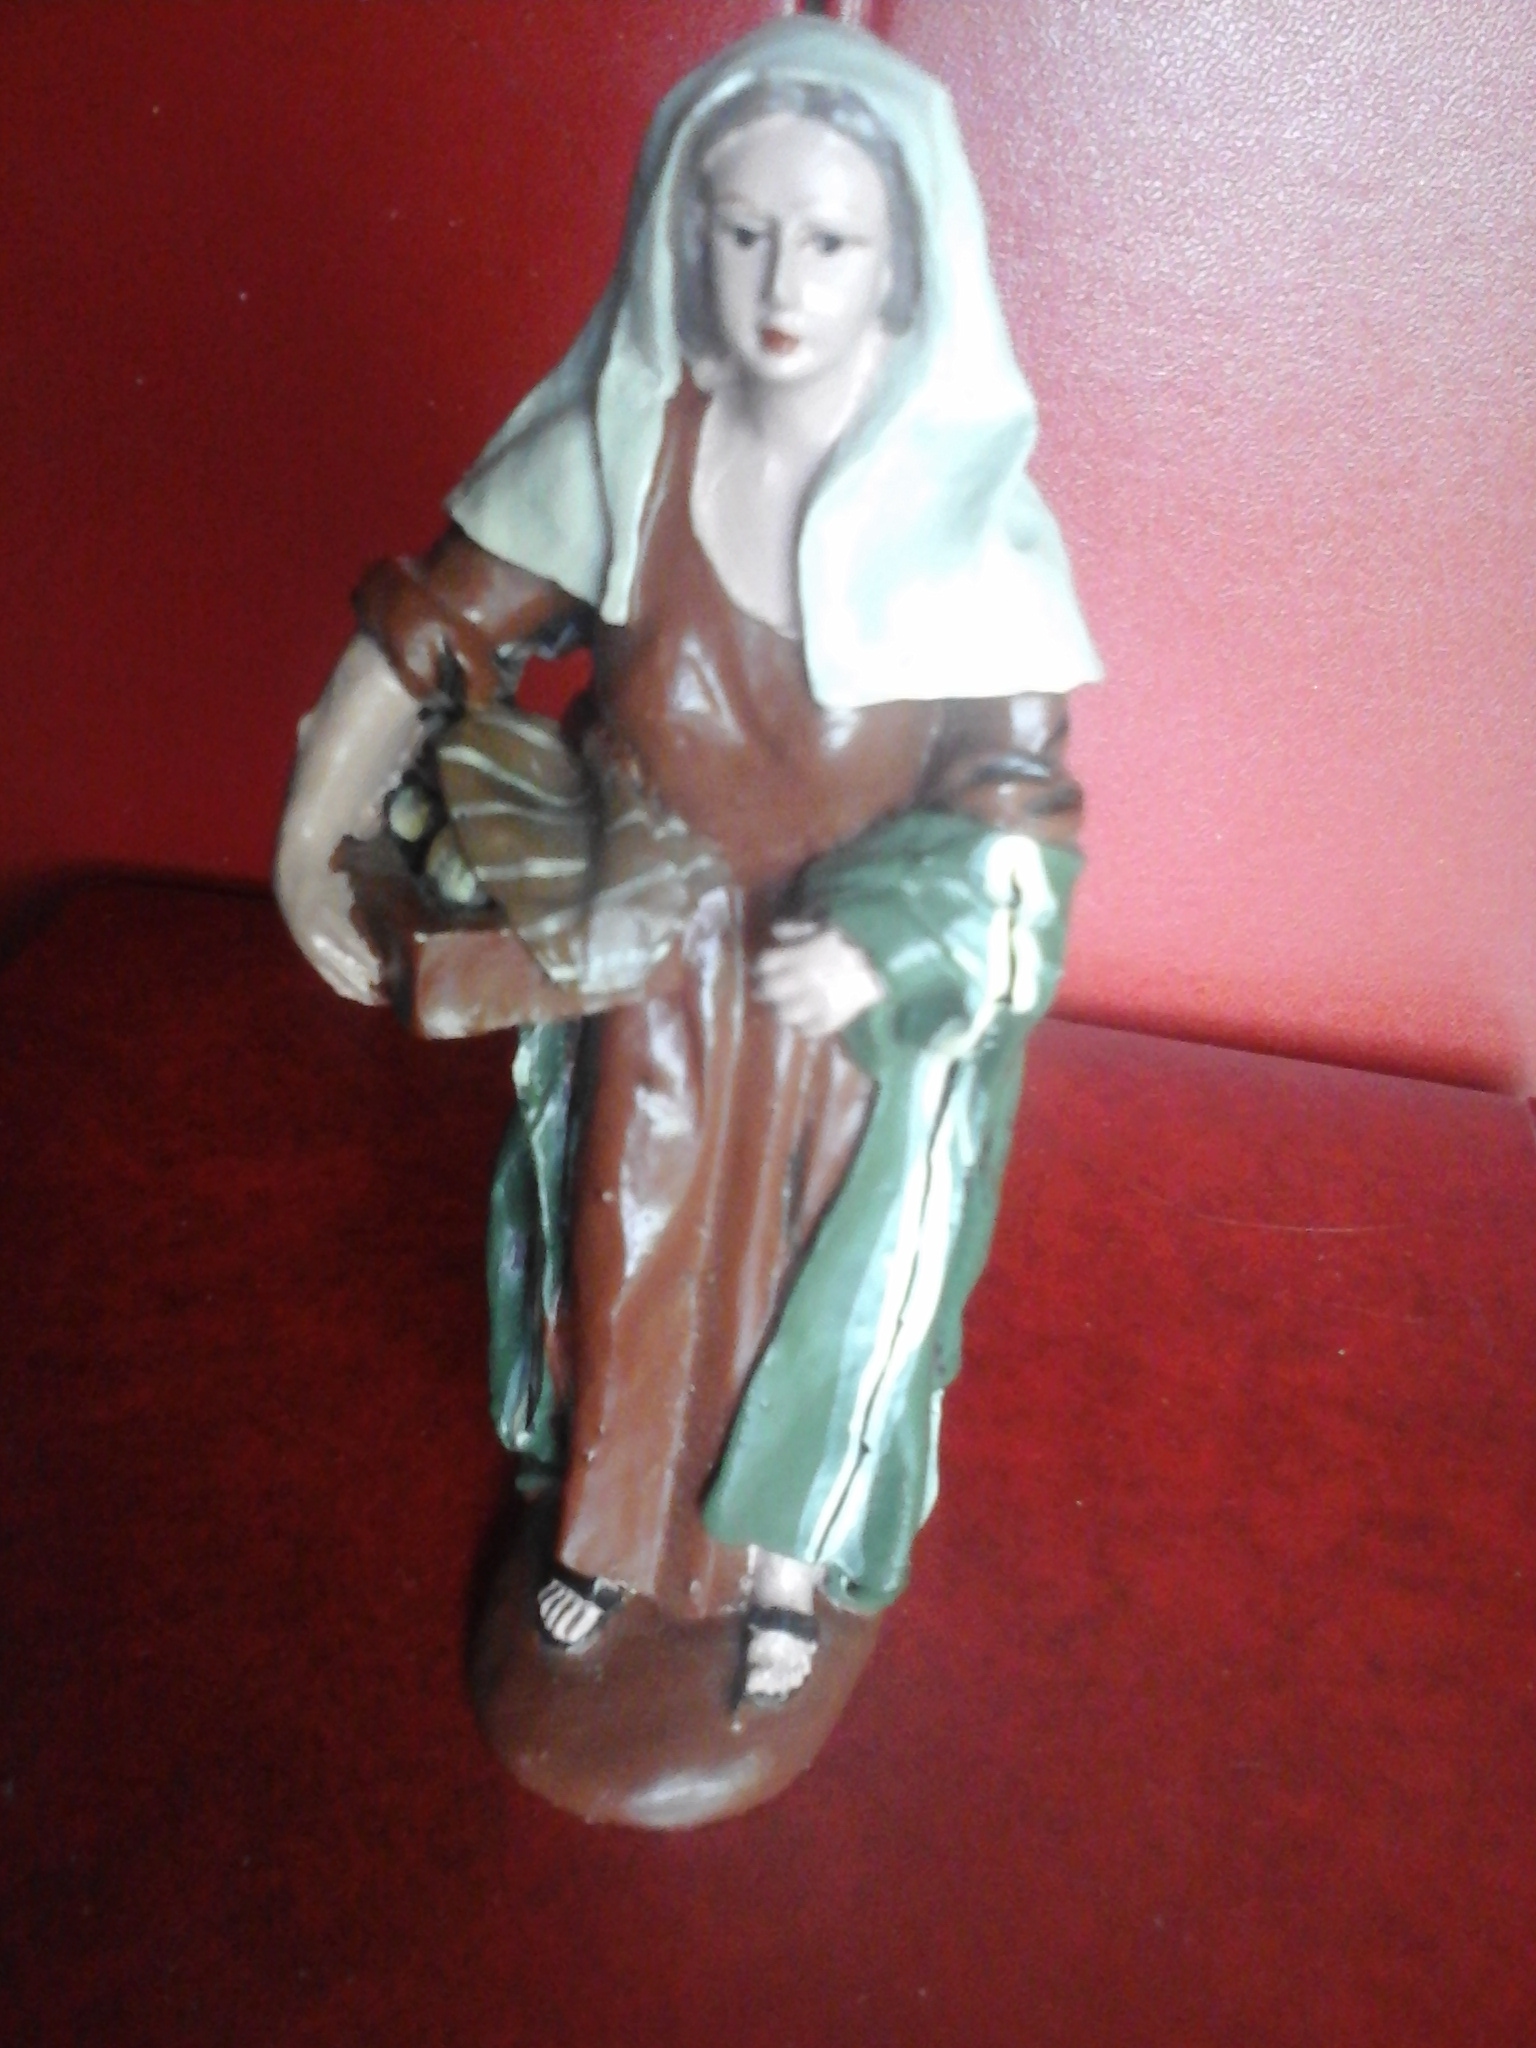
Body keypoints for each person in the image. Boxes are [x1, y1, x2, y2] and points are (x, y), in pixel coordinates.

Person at [275, 17, 1099, 1706]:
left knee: (817, 1281)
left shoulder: (972, 541)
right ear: (684, 237)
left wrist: (888, 949)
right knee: (630, 1238)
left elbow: (1021, 820)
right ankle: (605, 1537)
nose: (781, 281)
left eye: (830, 240)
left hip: (836, 1005)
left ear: (903, 270)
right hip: (652, 961)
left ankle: (782, 1570)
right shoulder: (625, 454)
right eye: (744, 230)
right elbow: (432, 630)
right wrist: (308, 838)